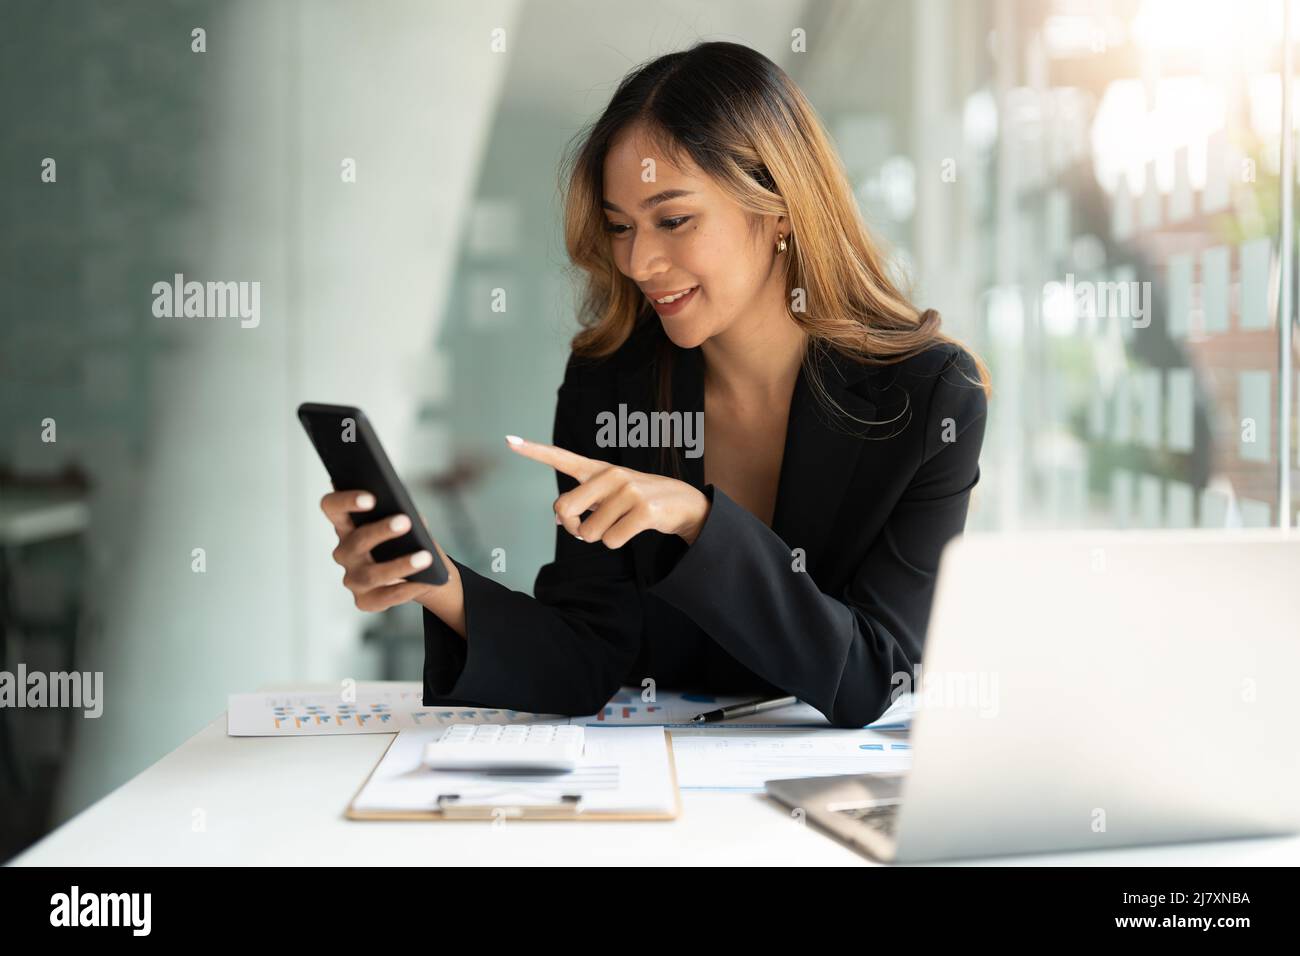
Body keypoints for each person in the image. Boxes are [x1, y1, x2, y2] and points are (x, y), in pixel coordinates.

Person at [319, 41, 991, 728]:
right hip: (650, 790)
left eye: (674, 220)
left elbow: (875, 674)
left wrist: (700, 521)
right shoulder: (612, 383)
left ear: (780, 207)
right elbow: (589, 654)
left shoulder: (931, 398)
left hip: (817, 806)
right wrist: (439, 584)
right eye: (620, 227)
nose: (640, 261)